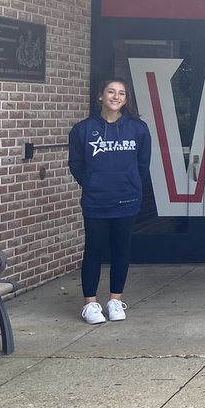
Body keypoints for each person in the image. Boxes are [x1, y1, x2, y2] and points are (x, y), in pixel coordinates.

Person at [67, 78, 153, 324]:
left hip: (126, 199)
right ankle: (90, 304)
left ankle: (115, 300)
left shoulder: (138, 128)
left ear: (126, 99)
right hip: (96, 201)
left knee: (120, 249)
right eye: (111, 92)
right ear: (100, 96)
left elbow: (143, 164)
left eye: (122, 93)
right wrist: (92, 183)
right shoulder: (83, 130)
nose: (116, 97)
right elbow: (76, 163)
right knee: (93, 250)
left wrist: (131, 183)